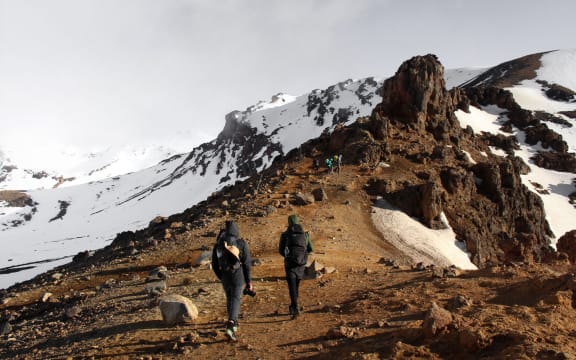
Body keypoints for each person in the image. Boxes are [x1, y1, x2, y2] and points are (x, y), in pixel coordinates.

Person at [212, 220, 253, 341]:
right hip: (237, 274)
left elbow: (214, 265)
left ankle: (233, 323)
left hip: (225, 275)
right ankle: (231, 323)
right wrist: (249, 281)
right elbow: (247, 264)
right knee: (235, 298)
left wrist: (221, 276)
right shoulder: (240, 243)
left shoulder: (217, 246)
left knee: (230, 298)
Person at [278, 214, 314, 319]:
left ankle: (294, 307)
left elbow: (280, 250)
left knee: (291, 286)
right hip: (301, 264)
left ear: (289, 222)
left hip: (289, 263)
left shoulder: (285, 235)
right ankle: (294, 305)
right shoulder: (305, 235)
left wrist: (288, 256)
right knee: (296, 285)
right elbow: (311, 249)